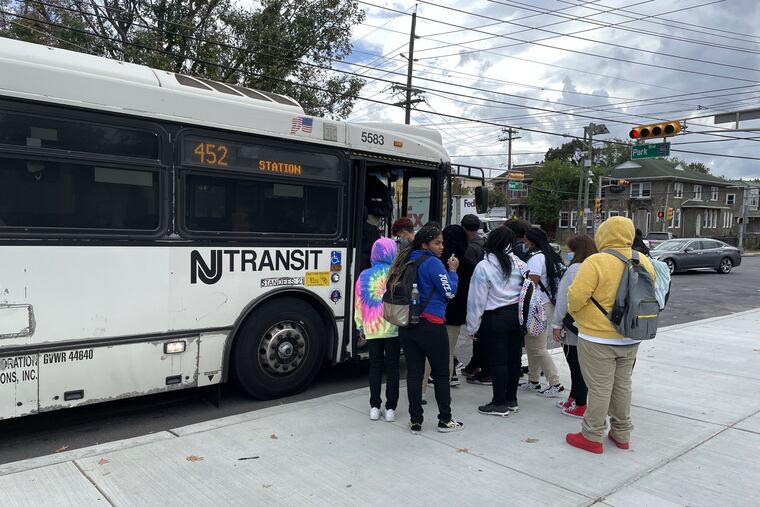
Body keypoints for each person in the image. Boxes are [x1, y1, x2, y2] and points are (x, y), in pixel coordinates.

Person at [565, 217, 656, 454]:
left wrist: (579, 316)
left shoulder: (596, 261)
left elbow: (576, 297)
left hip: (597, 337)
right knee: (623, 386)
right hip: (632, 334)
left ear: (604, 234)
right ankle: (622, 433)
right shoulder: (643, 259)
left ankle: (592, 435)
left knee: (599, 388)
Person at [387, 225, 464, 434]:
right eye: (437, 243)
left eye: (442, 243)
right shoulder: (433, 263)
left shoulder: (405, 259)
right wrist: (453, 271)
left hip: (407, 325)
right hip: (432, 325)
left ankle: (415, 421)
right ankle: (445, 420)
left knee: (414, 374)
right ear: (425, 244)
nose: (442, 247)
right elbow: (449, 292)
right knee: (441, 373)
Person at [466, 226, 527, 416]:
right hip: (516, 317)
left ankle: (499, 403)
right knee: (513, 360)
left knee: (498, 362)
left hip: (494, 318)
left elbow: (476, 300)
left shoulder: (484, 267)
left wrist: (472, 327)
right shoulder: (520, 264)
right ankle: (511, 399)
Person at [551, 235, 598, 418]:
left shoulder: (574, 269)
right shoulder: (595, 266)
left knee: (575, 365)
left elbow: (564, 298)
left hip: (572, 324)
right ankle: (573, 398)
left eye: (571, 250)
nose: (569, 253)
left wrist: (556, 323)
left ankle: (580, 404)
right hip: (589, 324)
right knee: (580, 364)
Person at [354, 238, 400, 423]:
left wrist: (360, 326)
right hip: (394, 328)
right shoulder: (396, 274)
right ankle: (390, 408)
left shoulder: (364, 276)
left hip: (372, 329)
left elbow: (359, 303)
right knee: (393, 368)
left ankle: (374, 406)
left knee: (375, 367)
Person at [422, 225, 470, 393]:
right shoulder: (468, 261)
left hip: (435, 313)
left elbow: (447, 290)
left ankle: (421, 390)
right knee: (448, 352)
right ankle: (445, 386)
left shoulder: (436, 261)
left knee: (428, 354)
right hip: (456, 315)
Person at [520, 227, 565, 397]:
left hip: (537, 306)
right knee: (531, 345)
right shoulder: (547, 255)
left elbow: (531, 283)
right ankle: (533, 380)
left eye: (525, 239)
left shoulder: (536, 258)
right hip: (543, 305)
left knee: (538, 347)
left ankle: (555, 383)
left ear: (531, 241)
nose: (523, 242)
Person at [460, 214, 489, 384]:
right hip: (488, 296)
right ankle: (475, 364)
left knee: (476, 332)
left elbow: (468, 274)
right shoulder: (484, 244)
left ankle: (478, 365)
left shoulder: (470, 249)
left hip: (476, 294)